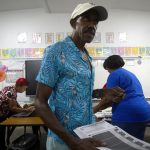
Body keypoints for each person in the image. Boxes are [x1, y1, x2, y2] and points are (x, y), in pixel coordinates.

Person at [35, 3, 124, 150]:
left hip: (86, 136)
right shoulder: (56, 51)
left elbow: (78, 90)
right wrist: (72, 142)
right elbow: (39, 102)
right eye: (86, 19)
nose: (92, 25)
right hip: (64, 141)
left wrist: (104, 93)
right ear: (73, 22)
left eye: (95, 21)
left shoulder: (87, 56)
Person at [100, 55, 150, 140]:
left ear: (107, 66)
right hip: (144, 112)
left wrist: (93, 110)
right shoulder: (130, 74)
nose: (108, 72)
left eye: (107, 70)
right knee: (137, 143)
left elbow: (108, 99)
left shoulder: (114, 74)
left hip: (128, 114)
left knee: (122, 143)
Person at [0, 78, 35, 150]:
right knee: (1, 133)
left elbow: (14, 103)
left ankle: (4, 146)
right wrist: (26, 110)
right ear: (20, 86)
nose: (25, 90)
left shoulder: (11, 89)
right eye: (25, 88)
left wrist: (22, 108)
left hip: (3, 113)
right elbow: (13, 108)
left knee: (2, 133)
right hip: (1, 114)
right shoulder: (11, 92)